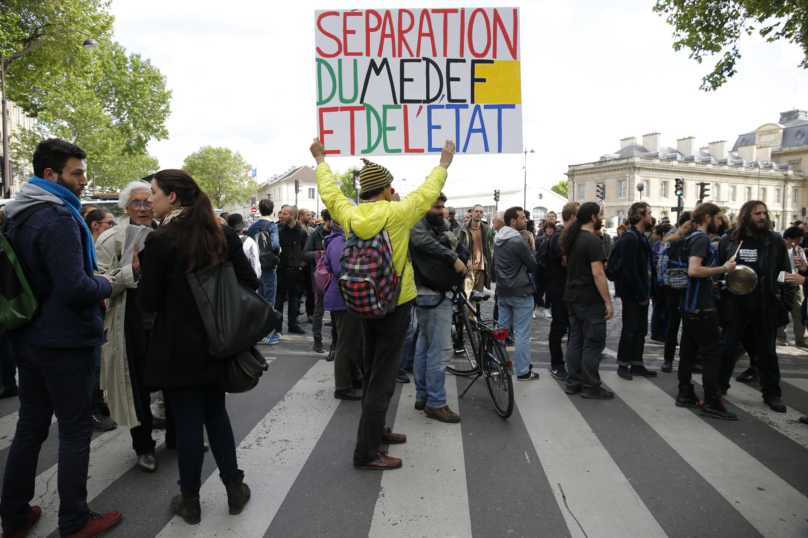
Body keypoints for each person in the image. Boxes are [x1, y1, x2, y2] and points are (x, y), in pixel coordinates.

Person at [311, 137, 455, 471]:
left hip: (360, 302)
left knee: (373, 369)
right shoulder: (400, 212)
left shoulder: (349, 214)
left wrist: (321, 160)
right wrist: (443, 164)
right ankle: (366, 452)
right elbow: (428, 189)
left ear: (363, 192)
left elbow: (330, 191)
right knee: (382, 379)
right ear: (388, 189)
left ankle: (378, 432)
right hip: (394, 303)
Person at [1, 138, 121, 538]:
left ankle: (14, 516)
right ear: (50, 175)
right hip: (63, 340)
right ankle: (74, 520)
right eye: (77, 173)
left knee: (31, 427)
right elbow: (74, 289)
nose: (85, 181)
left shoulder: (19, 211)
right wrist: (106, 283)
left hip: (27, 335)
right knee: (74, 429)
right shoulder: (58, 217)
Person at [139, 169, 256, 524]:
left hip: (176, 347)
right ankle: (234, 489)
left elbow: (149, 302)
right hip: (218, 341)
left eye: (154, 193)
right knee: (215, 413)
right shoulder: (219, 232)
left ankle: (189, 500)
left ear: (173, 197)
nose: (149, 200)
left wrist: (144, 267)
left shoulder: (160, 241)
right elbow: (249, 281)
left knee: (188, 422)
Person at [97, 180, 166, 472]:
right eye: (136, 203)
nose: (143, 209)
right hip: (131, 323)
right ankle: (144, 447)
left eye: (148, 202)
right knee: (136, 388)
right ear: (126, 207)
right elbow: (99, 285)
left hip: (164, 321)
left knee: (170, 379)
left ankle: (176, 436)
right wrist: (130, 271)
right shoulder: (110, 239)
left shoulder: (165, 233)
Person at [717, 200, 794, 413]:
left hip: (766, 304)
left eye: (764, 213)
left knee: (767, 352)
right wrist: (720, 296)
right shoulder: (729, 240)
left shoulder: (774, 241)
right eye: (757, 213)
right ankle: (720, 385)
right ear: (746, 216)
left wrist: (784, 300)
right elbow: (721, 270)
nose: (762, 217)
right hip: (736, 304)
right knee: (728, 347)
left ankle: (772, 393)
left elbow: (783, 272)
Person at [667, 203, 738, 419]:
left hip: (688, 304)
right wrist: (724, 269)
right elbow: (694, 269)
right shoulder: (701, 239)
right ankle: (711, 401)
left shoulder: (688, 238)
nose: (720, 222)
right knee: (711, 352)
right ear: (708, 217)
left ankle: (685, 392)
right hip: (700, 305)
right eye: (718, 218)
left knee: (688, 350)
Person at [410, 193, 467, 421]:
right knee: (440, 352)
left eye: (443, 207)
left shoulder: (429, 224)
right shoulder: (418, 225)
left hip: (427, 296)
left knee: (424, 348)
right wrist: (453, 257)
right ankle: (435, 402)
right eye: (437, 207)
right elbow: (421, 241)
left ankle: (423, 396)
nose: (442, 211)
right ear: (424, 207)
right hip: (432, 296)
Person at [559, 202, 614, 399]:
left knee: (575, 340)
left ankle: (574, 382)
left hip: (573, 296)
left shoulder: (572, 238)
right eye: (599, 214)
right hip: (589, 298)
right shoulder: (592, 240)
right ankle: (591, 385)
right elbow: (598, 273)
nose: (601, 218)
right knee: (593, 342)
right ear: (592, 217)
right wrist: (608, 301)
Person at [83, 208, 119, 432]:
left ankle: (98, 403)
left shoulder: (108, 246)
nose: (113, 227)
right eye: (109, 223)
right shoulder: (85, 247)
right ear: (95, 225)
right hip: (93, 310)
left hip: (106, 308)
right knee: (96, 364)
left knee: (103, 362)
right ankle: (92, 409)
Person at [494, 207, 539, 381]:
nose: (526, 220)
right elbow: (533, 264)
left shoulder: (498, 238)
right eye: (523, 217)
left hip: (503, 291)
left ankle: (496, 365)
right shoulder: (517, 240)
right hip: (520, 291)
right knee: (521, 334)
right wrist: (525, 264)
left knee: (500, 332)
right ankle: (523, 371)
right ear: (513, 221)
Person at [615, 202, 657, 380]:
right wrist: (641, 294)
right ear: (641, 215)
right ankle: (623, 364)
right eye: (648, 213)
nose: (650, 216)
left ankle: (637, 363)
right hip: (633, 293)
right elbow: (629, 269)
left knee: (641, 329)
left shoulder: (640, 236)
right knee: (630, 329)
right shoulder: (630, 237)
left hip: (642, 291)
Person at [323, 217, 364, 400]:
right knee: (347, 343)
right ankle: (342, 386)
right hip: (345, 297)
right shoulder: (340, 241)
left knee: (352, 341)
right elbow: (341, 269)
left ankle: (355, 378)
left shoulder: (339, 239)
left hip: (344, 296)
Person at [546, 202, 579, 380]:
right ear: (573, 217)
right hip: (560, 291)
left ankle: (569, 363)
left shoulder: (567, 235)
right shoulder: (560, 236)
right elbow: (567, 262)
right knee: (559, 328)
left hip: (567, 290)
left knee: (571, 329)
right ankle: (556, 364)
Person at [246, 199, 281, 345]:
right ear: (272, 210)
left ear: (259, 209)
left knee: (259, 299)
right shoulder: (271, 226)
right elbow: (275, 245)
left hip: (256, 266)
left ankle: (258, 333)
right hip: (268, 265)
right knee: (270, 300)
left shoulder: (252, 226)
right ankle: (267, 334)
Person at [661, 211, 692, 372]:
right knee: (686, 326)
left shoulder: (670, 243)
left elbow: (661, 264)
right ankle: (684, 359)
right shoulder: (693, 243)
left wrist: (663, 283)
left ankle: (668, 359)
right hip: (688, 287)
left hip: (671, 287)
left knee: (673, 324)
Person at [302, 210, 332, 353]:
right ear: (327, 220)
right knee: (319, 311)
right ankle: (317, 342)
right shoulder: (315, 235)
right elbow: (305, 254)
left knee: (336, 312)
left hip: (335, 277)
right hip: (321, 277)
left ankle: (335, 343)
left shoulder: (340, 233)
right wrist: (321, 254)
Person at [275, 205, 308, 335]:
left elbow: (306, 251)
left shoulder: (302, 233)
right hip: (282, 270)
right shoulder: (278, 231)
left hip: (296, 271)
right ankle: (277, 327)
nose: (281, 216)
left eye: (284, 214)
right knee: (279, 300)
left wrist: (302, 265)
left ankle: (292, 324)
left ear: (292, 216)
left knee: (294, 300)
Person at [456, 204, 494, 316]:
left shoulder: (487, 229)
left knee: (476, 297)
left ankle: (472, 321)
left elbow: (490, 249)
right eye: (476, 211)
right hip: (469, 267)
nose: (478, 214)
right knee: (466, 295)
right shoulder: (464, 229)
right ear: (472, 213)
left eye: (481, 212)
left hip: (481, 267)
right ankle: (464, 322)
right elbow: (459, 247)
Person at [777, 226, 808, 348]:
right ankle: (781, 337)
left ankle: (801, 338)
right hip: (782, 284)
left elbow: (804, 267)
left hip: (796, 283)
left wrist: (803, 269)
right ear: (789, 238)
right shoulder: (780, 249)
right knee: (782, 311)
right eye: (798, 239)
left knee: (799, 312)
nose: (800, 242)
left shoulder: (799, 250)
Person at [650, 222, 673, 346]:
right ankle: (657, 333)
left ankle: (659, 333)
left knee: (660, 307)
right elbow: (656, 264)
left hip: (660, 280)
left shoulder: (662, 244)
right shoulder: (659, 245)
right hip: (658, 281)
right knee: (659, 307)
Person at [228, 213, 261, 277]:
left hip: (229, 278)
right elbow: (255, 264)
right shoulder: (249, 241)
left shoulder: (223, 241)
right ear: (242, 228)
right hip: (245, 278)